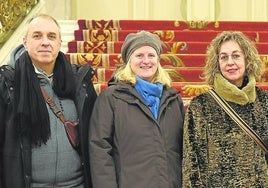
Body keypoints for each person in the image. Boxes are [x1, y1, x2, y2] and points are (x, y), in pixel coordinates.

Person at [0, 14, 97, 188]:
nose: (45, 42)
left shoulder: (79, 83)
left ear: (59, 43)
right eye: (37, 36)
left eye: (51, 36)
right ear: (25, 42)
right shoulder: (9, 84)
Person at [88, 30, 185, 188]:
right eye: (139, 55)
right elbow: (100, 150)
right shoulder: (111, 98)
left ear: (158, 60)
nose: (146, 61)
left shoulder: (173, 99)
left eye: (151, 55)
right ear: (129, 61)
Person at [182, 31, 268, 187]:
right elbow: (192, 163)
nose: (230, 62)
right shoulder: (200, 106)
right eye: (224, 57)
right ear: (217, 63)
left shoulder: (264, 101)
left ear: (247, 59)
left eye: (236, 56)